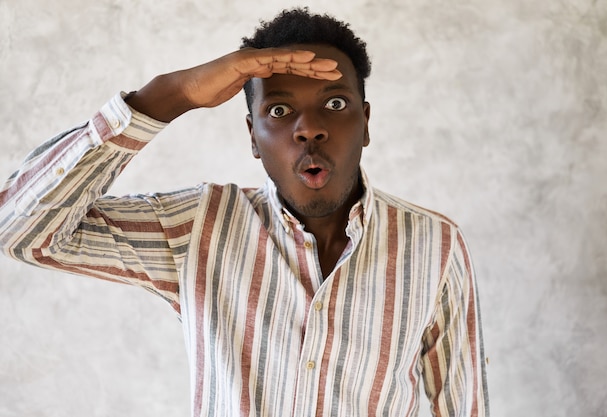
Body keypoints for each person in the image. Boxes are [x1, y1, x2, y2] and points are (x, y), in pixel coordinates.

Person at [0, 7, 489, 417]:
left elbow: (464, 404)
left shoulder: (435, 244)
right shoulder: (198, 229)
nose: (308, 129)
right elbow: (19, 230)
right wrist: (169, 96)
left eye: (336, 103)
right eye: (278, 111)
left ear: (365, 123)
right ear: (252, 137)